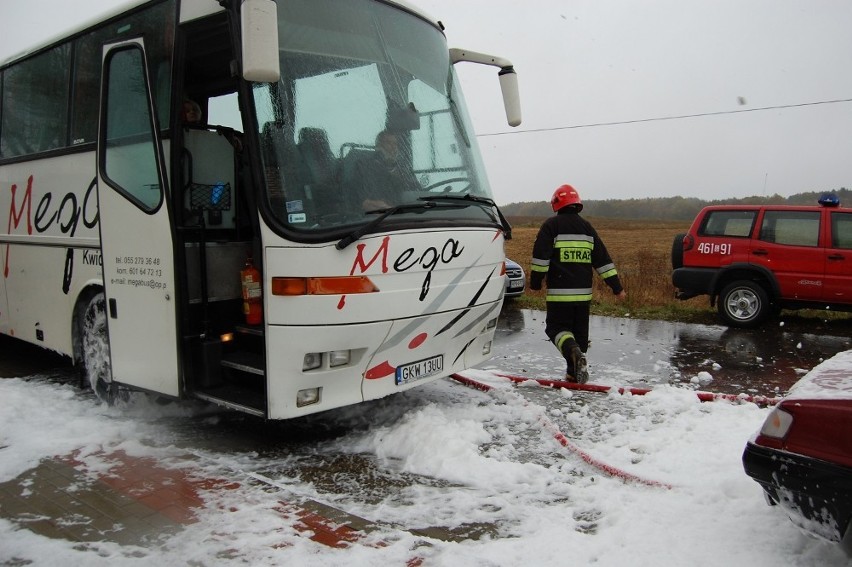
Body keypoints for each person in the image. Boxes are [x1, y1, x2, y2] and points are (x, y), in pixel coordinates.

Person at [529, 184, 627, 383]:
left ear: (556, 204)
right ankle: (573, 373)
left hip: (560, 294)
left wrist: (536, 283)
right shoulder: (587, 228)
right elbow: (603, 261)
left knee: (556, 330)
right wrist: (617, 288)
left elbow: (541, 259)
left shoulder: (551, 226)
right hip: (583, 296)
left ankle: (573, 353)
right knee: (579, 337)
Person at [355, 129, 419, 211]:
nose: (394, 147)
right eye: (389, 143)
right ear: (378, 146)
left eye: (395, 144)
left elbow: (418, 193)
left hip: (407, 214)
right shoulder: (365, 168)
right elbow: (364, 201)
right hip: (381, 218)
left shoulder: (403, 170)